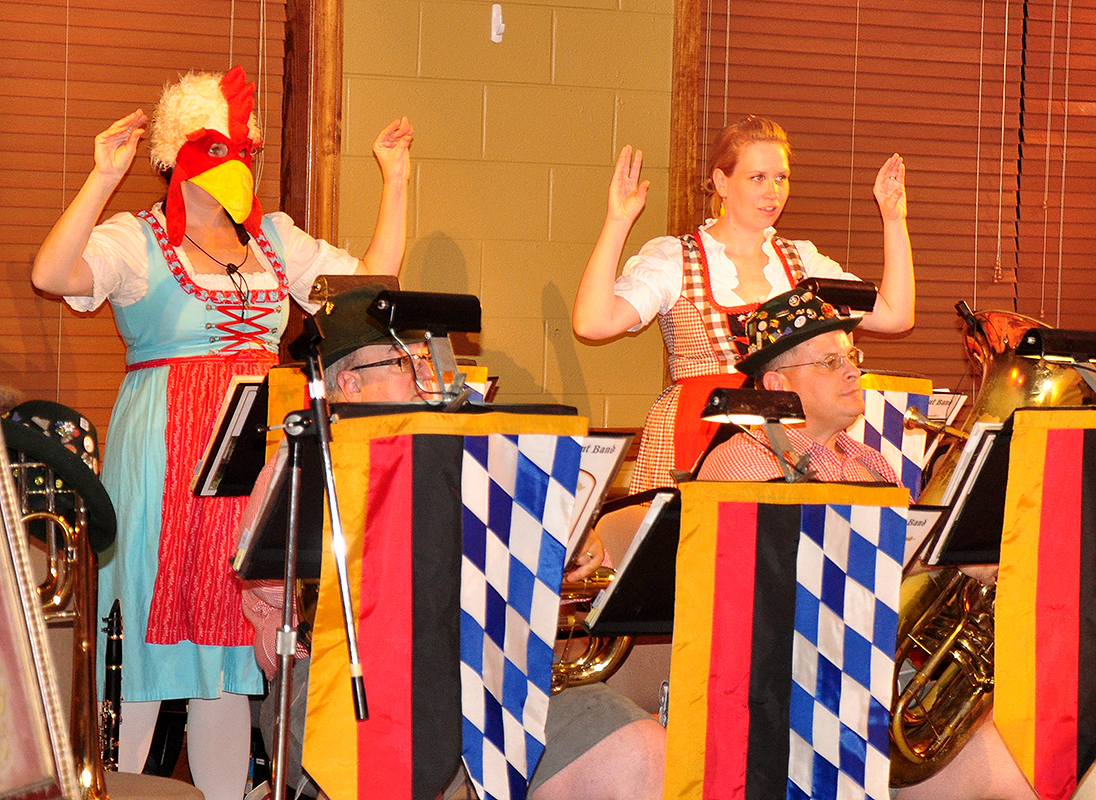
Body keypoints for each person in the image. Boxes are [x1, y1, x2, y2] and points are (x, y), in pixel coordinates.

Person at [30, 67, 412, 800]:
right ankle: (120, 788)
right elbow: (53, 273)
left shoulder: (271, 238)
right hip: (163, 467)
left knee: (230, 662)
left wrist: (394, 181)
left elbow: (370, 287)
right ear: (188, 153)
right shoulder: (137, 239)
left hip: (249, 464)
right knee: (142, 655)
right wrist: (101, 179)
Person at [243, 284, 665, 800]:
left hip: (491, 673)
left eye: (428, 358)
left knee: (639, 748)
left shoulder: (482, 454)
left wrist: (572, 541)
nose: (429, 376)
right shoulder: (304, 468)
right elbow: (275, 622)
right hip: (347, 682)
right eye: (404, 362)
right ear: (348, 385)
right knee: (390, 763)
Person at [697, 288, 1037, 800]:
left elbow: (915, 570)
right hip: (787, 692)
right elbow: (769, 600)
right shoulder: (743, 460)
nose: (853, 370)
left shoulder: (871, 463)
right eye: (830, 361)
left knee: (1022, 757)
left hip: (878, 674)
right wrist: (926, 558)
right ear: (775, 383)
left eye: (852, 356)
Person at [572, 116, 914, 493]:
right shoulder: (675, 259)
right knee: (685, 541)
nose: (773, 192)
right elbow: (593, 323)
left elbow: (895, 316)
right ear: (722, 182)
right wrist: (618, 222)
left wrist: (893, 220)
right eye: (757, 178)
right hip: (697, 428)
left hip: (781, 439)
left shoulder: (802, 262)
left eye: (781, 178)